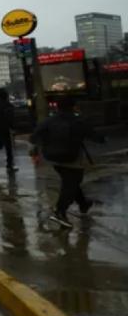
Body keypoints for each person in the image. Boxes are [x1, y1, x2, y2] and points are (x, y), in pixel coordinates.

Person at [30, 96, 105, 229]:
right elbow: (96, 137)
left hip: (53, 159)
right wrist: (102, 138)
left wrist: (44, 146)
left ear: (57, 107)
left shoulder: (49, 121)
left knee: (71, 182)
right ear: (73, 106)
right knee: (70, 185)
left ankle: (83, 204)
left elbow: (33, 137)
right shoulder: (79, 121)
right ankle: (59, 211)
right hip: (73, 159)